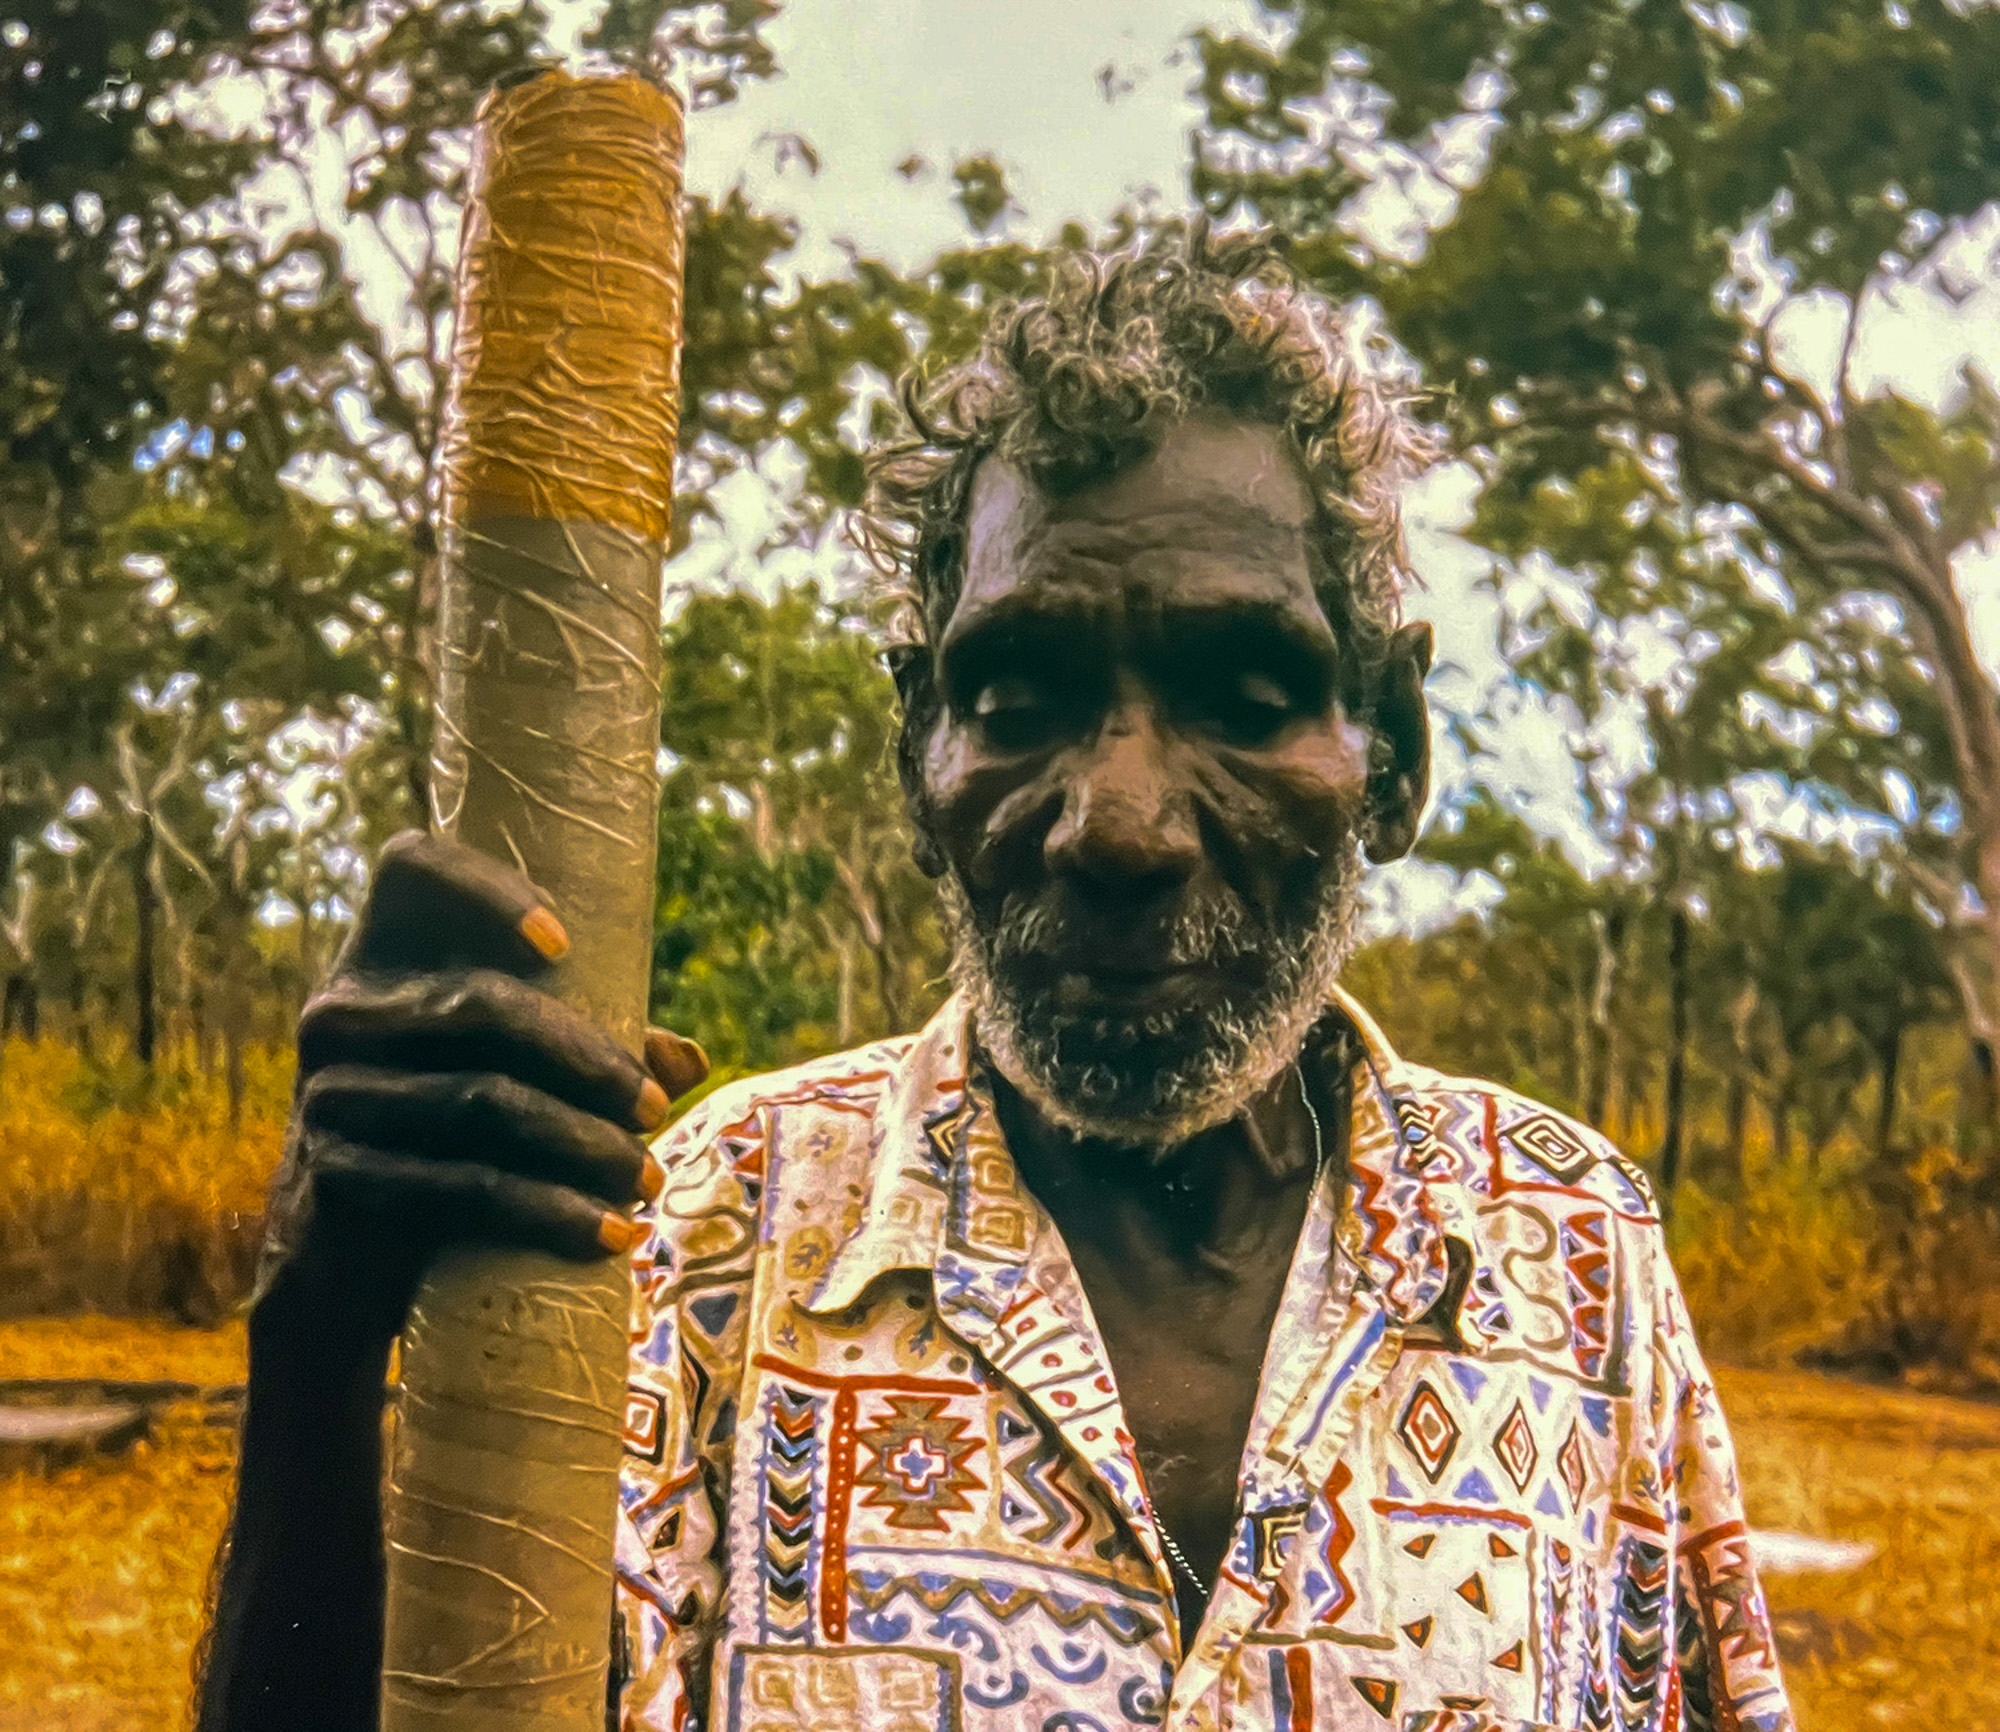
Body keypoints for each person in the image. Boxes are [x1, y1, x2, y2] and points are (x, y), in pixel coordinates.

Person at [197, 228, 1793, 1732]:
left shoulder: (1573, 1247)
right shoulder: (696, 1238)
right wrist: (321, 1332)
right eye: (1018, 694)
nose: (1118, 825)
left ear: (1396, 756)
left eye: (1242, 694)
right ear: (918, 756)